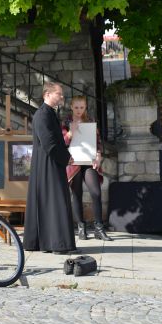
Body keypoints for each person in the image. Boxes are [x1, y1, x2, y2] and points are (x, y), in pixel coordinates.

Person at [23, 82, 77, 254]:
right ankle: (57, 244)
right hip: (47, 165)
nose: (61, 97)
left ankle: (50, 242)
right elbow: (49, 143)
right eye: (58, 94)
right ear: (47, 94)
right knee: (55, 202)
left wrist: (65, 155)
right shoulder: (41, 115)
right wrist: (66, 158)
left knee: (52, 203)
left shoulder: (50, 114)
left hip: (52, 163)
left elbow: (55, 141)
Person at [62, 96, 112, 241]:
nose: (79, 110)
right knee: (76, 194)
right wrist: (70, 132)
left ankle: (99, 228)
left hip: (89, 161)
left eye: (81, 107)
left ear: (85, 107)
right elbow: (61, 141)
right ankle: (81, 227)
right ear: (71, 107)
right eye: (76, 107)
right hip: (74, 162)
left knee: (96, 192)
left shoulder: (90, 121)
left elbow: (97, 142)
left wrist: (98, 156)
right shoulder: (66, 122)